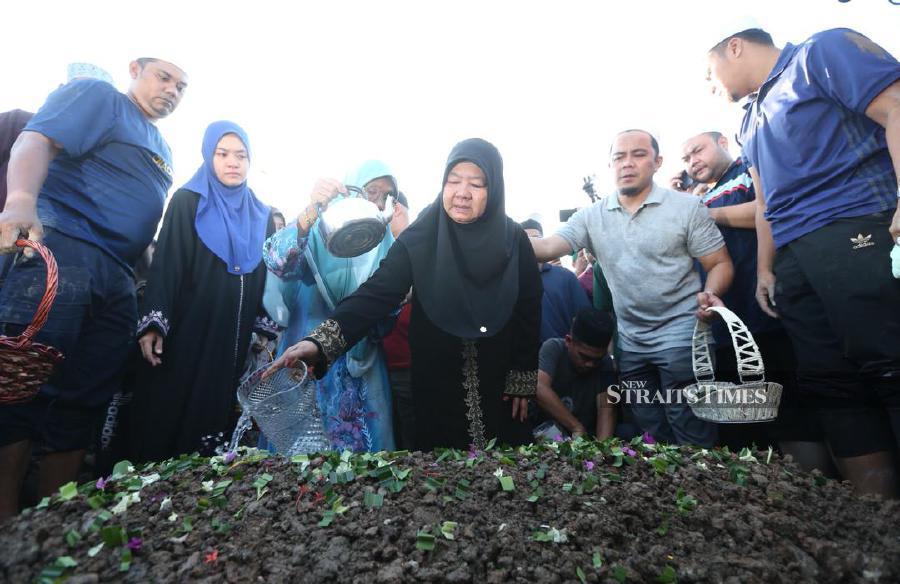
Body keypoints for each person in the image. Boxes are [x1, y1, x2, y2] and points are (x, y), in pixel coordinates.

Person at [706, 25, 900, 497]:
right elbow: (766, 200)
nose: (710, 86)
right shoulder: (749, 119)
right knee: (831, 384)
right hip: (794, 262)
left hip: (854, 226)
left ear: (735, 46)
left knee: (890, 364)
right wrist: (766, 270)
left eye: (708, 73)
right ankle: (876, 520)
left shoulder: (820, 52)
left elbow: (895, 106)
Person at [0, 56, 188, 520]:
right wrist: (20, 201)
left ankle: (50, 521)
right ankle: (6, 521)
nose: (172, 90)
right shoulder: (98, 96)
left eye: (182, 86)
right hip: (66, 249)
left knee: (85, 399)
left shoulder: (162, 145)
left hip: (120, 277)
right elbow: (35, 139)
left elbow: (140, 219)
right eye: (164, 76)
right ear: (135, 69)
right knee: (20, 384)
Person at [267, 138, 542, 451]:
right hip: (438, 380)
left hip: (500, 380)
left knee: (507, 471)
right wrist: (319, 343)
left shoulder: (512, 239)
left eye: (477, 184)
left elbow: (529, 308)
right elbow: (377, 293)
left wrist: (522, 376)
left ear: (493, 190)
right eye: (453, 181)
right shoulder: (424, 235)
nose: (462, 193)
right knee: (443, 473)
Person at [530, 129, 733, 448]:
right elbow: (547, 248)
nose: (627, 163)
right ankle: (664, 494)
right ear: (610, 165)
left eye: (638, 154)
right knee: (650, 434)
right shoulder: (591, 217)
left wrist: (711, 292)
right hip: (633, 347)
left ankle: (702, 492)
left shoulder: (686, 208)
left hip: (683, 338)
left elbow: (719, 263)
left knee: (691, 431)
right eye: (618, 157)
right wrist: (495, 236)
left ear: (657, 162)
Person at [679, 131, 830, 461]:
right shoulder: (698, 196)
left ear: (723, 143)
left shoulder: (748, 168)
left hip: (766, 316)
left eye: (697, 150)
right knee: (741, 420)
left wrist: (705, 213)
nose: (692, 160)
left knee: (790, 408)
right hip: (722, 325)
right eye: (686, 158)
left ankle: (815, 486)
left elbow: (768, 208)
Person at [129, 121, 275, 461]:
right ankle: (155, 483)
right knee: (171, 402)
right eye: (222, 154)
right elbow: (167, 265)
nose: (232, 162)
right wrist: (154, 322)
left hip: (232, 340)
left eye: (241, 155)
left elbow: (268, 275)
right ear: (209, 156)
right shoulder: (187, 201)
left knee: (215, 407)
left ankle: (200, 483)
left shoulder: (261, 214)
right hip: (186, 331)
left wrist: (263, 331)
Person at [262, 161, 400, 453]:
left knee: (365, 472)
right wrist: (313, 208)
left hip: (363, 370)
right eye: (370, 191)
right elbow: (275, 260)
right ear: (350, 192)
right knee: (296, 470)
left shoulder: (386, 244)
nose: (376, 201)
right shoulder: (318, 231)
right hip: (305, 361)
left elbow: (387, 317)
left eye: (385, 196)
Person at [531, 308, 617, 440]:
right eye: (584, 357)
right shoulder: (553, 348)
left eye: (596, 360)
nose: (590, 364)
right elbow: (539, 387)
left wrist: (602, 450)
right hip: (546, 433)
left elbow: (607, 409)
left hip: (586, 437)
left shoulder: (606, 364)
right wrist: (576, 427)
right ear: (568, 341)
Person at [381, 192, 415, 450]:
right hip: (377, 366)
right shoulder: (369, 248)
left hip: (407, 364)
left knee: (407, 434)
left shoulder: (416, 247)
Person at [521, 219, 590, 343]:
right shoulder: (510, 281)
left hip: (563, 355)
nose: (531, 244)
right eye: (526, 239)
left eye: (536, 238)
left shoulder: (566, 277)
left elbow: (584, 319)